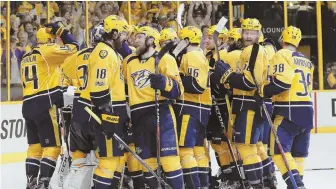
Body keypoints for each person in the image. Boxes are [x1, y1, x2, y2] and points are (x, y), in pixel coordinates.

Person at [122, 26, 185, 189]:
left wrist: (165, 83)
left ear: (151, 40)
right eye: (136, 37)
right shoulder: (128, 61)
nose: (136, 40)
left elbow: (179, 90)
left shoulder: (165, 59)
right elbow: (125, 87)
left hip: (161, 112)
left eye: (140, 37)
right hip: (138, 115)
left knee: (169, 160)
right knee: (147, 163)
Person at [213, 18, 269, 188]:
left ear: (258, 34)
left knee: (246, 147)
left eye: (252, 33)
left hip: (250, 104)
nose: (249, 36)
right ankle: (264, 181)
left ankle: (256, 184)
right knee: (250, 146)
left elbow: (250, 83)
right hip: (247, 104)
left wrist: (228, 74)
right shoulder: (249, 51)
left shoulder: (255, 51)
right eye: (246, 32)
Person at [21, 23, 79, 189]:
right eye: (53, 39)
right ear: (48, 39)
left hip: (28, 105)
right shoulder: (47, 51)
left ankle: (31, 182)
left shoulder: (26, 56)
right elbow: (74, 47)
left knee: (35, 147)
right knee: (52, 146)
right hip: (44, 104)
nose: (56, 42)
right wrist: (63, 32)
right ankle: (43, 183)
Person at [258, 26, 314, 189]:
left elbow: (282, 82)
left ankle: (297, 185)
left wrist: (263, 90)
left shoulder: (281, 54)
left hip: (288, 110)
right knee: (298, 155)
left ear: (282, 39)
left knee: (277, 150)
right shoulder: (306, 60)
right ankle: (296, 185)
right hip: (307, 111)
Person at [78, 15, 129, 189]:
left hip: (116, 111)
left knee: (117, 158)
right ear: (114, 33)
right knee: (108, 161)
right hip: (108, 113)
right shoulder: (103, 52)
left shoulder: (112, 52)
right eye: (122, 33)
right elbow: (99, 90)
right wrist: (108, 117)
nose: (125, 38)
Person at [60, 23, 105, 189]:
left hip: (79, 108)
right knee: (104, 160)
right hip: (97, 108)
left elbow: (63, 73)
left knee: (78, 159)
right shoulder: (107, 55)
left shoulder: (77, 56)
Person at [173, 26, 211, 189]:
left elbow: (196, 86)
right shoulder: (200, 55)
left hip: (191, 107)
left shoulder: (192, 56)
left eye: (181, 39)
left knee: (185, 150)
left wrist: (177, 75)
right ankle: (203, 184)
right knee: (198, 149)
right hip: (202, 109)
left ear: (187, 41)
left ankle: (193, 186)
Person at [204, 26, 239, 188]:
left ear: (221, 40)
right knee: (217, 142)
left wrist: (220, 86)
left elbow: (229, 81)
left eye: (210, 38)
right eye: (206, 37)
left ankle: (233, 175)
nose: (206, 40)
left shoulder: (223, 56)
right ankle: (228, 173)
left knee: (223, 142)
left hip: (223, 104)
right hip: (212, 103)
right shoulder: (209, 55)